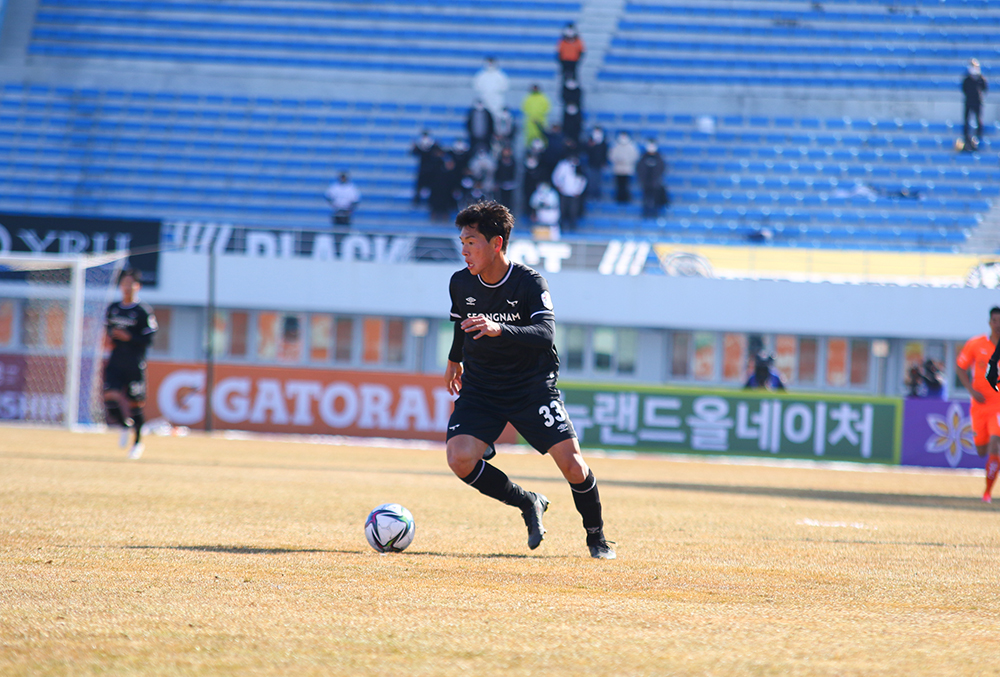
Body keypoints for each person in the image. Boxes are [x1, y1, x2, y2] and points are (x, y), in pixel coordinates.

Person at [445, 201, 614, 558]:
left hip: (531, 388)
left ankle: (596, 537)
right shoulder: (460, 282)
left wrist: (499, 328)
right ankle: (528, 502)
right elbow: (462, 326)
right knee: (459, 458)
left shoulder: (529, 282)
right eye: (462, 241)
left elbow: (545, 333)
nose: (464, 250)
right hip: (482, 388)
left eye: (472, 242)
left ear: (497, 244)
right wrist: (453, 360)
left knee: (573, 466)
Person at [104, 268, 157, 460]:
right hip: (116, 360)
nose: (127, 287)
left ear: (138, 286)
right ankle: (124, 426)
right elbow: (109, 330)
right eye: (124, 283)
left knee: (136, 404)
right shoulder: (113, 308)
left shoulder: (143, 311)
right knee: (109, 397)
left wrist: (130, 337)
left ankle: (137, 443)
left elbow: (149, 338)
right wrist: (115, 335)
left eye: (130, 283)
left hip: (135, 363)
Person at [958, 306, 1000, 503]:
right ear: (989, 322)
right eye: (995, 320)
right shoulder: (976, 344)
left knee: (995, 445)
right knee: (982, 449)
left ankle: (987, 493)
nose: (998, 325)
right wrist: (971, 390)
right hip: (979, 406)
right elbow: (960, 367)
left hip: (998, 406)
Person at [551, 154, 587, 233]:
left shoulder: (580, 167)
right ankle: (561, 226)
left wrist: (578, 191)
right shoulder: (563, 165)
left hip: (574, 194)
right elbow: (556, 176)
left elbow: (583, 180)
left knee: (573, 210)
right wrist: (558, 185)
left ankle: (572, 226)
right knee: (562, 210)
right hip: (563, 192)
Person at [635, 139, 668, 219]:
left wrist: (656, 180)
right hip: (645, 183)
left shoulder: (659, 157)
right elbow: (639, 169)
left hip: (655, 183)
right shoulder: (643, 157)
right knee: (645, 199)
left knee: (655, 199)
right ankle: (645, 214)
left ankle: (654, 214)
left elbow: (661, 169)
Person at [472, 56, 509, 122]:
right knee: (484, 119)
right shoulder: (481, 76)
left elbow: (505, 87)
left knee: (497, 118)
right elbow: (476, 87)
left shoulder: (500, 76)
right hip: (485, 100)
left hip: (497, 102)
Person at [962, 58, 987, 151]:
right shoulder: (967, 78)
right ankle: (966, 135)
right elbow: (964, 88)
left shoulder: (981, 78)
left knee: (978, 118)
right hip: (969, 100)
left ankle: (979, 135)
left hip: (977, 101)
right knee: (967, 118)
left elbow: (984, 88)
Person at [609, 131, 639, 205]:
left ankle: (626, 198)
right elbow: (611, 156)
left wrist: (626, 161)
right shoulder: (615, 146)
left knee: (626, 185)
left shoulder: (632, 146)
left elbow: (635, 156)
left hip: (627, 169)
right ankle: (618, 198)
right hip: (618, 169)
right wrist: (618, 160)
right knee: (619, 185)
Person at [411, 130, 438, 205]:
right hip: (422, 168)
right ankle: (417, 200)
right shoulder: (419, 145)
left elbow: (438, 153)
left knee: (432, 185)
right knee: (420, 185)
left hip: (432, 168)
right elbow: (413, 153)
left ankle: (431, 200)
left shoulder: (433, 145)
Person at [521, 84, 551, 148]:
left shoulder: (543, 98)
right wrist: (532, 117)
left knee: (542, 136)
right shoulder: (528, 98)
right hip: (530, 122)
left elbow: (547, 108)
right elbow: (524, 108)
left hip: (541, 121)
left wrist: (538, 117)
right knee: (530, 136)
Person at [583, 127, 608, 201]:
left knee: (597, 181)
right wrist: (590, 146)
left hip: (599, 165)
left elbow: (604, 153)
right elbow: (586, 152)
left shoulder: (603, 143)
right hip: (591, 164)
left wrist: (604, 162)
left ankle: (596, 195)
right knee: (591, 180)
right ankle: (590, 194)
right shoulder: (590, 142)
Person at [494, 145, 518, 211]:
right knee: (501, 199)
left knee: (510, 200)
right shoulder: (499, 161)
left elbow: (514, 173)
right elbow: (497, 172)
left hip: (510, 184)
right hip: (501, 184)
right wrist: (497, 182)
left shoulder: (513, 161)